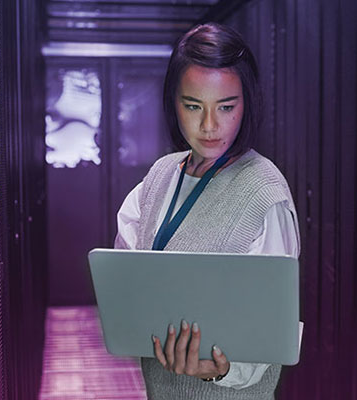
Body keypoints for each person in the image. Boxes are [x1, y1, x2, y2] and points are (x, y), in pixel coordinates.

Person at [114, 22, 300, 400]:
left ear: (247, 103)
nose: (210, 125)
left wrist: (220, 370)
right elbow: (124, 280)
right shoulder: (159, 177)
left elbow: (270, 331)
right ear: (173, 103)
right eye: (193, 106)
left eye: (226, 106)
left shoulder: (264, 191)